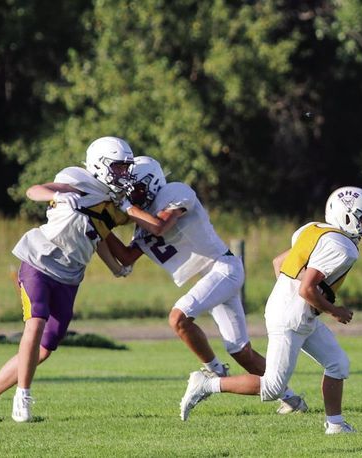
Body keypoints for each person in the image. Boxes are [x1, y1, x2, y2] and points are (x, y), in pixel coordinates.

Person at [103, 156, 306, 414]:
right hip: (211, 278)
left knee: (178, 318)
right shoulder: (141, 223)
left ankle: (213, 372)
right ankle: (291, 399)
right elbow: (126, 257)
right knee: (240, 351)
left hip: (223, 268)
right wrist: (100, 226)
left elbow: (160, 226)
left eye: (137, 188)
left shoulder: (174, 192)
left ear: (152, 183)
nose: (133, 195)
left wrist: (126, 206)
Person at [180, 186, 362, 434]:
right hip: (292, 316)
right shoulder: (342, 248)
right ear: (347, 216)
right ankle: (206, 384)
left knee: (338, 364)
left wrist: (288, 297)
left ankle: (336, 425)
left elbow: (279, 263)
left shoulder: (312, 229)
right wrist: (334, 310)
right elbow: (307, 289)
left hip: (296, 312)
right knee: (272, 388)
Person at [0, 136, 135, 422]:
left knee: (44, 348)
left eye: (125, 168)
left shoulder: (109, 203)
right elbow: (34, 190)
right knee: (36, 321)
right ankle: (23, 396)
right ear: (100, 164)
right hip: (39, 261)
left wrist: (114, 267)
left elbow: (96, 236)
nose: (123, 174)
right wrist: (54, 195)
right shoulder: (76, 180)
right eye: (118, 167)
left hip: (70, 276)